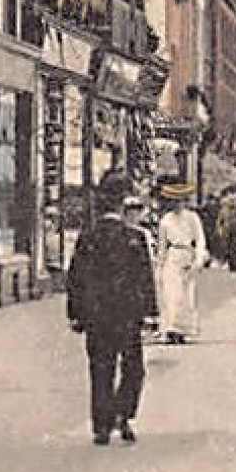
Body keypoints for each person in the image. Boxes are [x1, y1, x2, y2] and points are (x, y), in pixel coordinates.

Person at [66, 182, 158, 446]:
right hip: (127, 316)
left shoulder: (88, 237)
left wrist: (75, 313)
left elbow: (75, 278)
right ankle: (123, 414)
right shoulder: (134, 238)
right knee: (134, 369)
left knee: (100, 370)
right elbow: (145, 278)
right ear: (120, 207)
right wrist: (151, 313)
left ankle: (102, 426)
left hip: (97, 315)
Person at [156, 188, 207, 344]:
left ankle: (183, 329)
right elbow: (162, 245)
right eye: (174, 201)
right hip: (173, 256)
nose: (177, 204)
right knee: (172, 293)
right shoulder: (165, 220)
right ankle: (171, 328)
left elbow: (199, 239)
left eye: (180, 201)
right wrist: (160, 264)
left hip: (187, 254)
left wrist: (199, 258)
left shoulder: (192, 218)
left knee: (186, 295)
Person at [216, 194, 236, 272]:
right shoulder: (223, 210)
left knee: (235, 249)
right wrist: (219, 230)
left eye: (233, 201)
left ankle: (235, 265)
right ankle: (226, 262)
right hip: (226, 232)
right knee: (226, 248)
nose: (232, 202)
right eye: (231, 201)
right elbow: (219, 221)